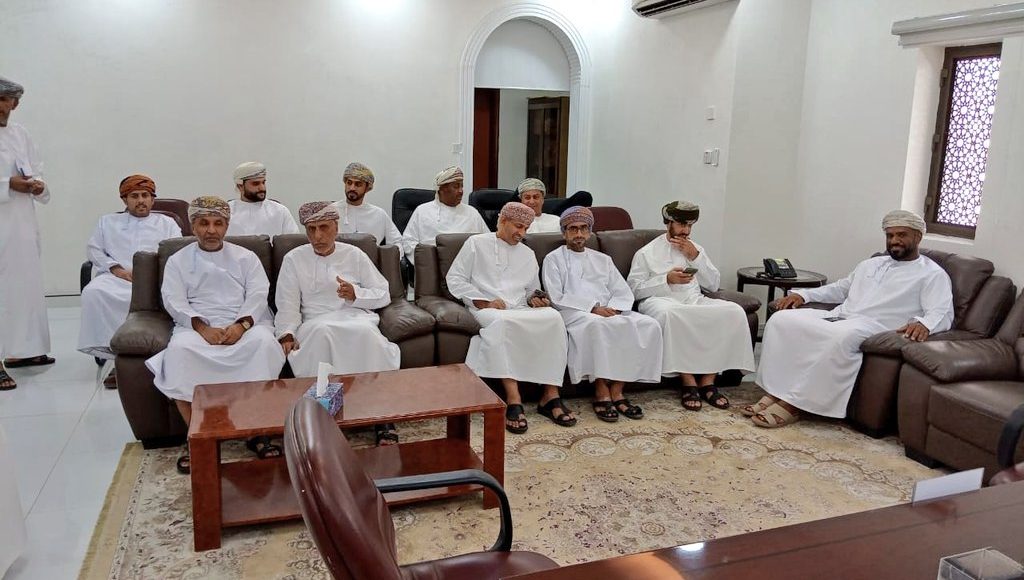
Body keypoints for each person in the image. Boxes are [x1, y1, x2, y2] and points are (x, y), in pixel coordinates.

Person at [748, 210, 954, 428]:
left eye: (901, 235)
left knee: (840, 336)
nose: (894, 240)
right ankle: (776, 391)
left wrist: (925, 324)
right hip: (840, 316)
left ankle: (795, 405)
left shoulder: (932, 274)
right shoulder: (871, 264)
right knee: (781, 321)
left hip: (877, 326)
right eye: (890, 235)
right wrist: (804, 295)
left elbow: (942, 312)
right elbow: (840, 289)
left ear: (918, 236)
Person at [145, 196, 286, 473]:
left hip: (244, 323)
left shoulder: (246, 257)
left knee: (264, 344)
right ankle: (196, 438)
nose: (211, 230)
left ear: (226, 226)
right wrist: (202, 328)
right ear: (193, 226)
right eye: (204, 223)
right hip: (196, 327)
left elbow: (258, 295)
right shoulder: (177, 260)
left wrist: (241, 326)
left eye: (218, 223)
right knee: (180, 351)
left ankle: (258, 433)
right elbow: (173, 300)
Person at [275, 201, 401, 444]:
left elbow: (383, 293)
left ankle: (381, 416)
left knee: (367, 334)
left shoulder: (354, 254)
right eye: (311, 229)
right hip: (315, 322)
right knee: (324, 333)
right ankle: (325, 418)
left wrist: (356, 294)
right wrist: (287, 333)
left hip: (354, 316)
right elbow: (287, 304)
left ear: (336, 227)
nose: (317, 236)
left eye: (324, 228)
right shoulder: (294, 259)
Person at [446, 202, 570, 434]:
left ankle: (550, 395)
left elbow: (531, 290)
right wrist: (484, 300)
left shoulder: (527, 253)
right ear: (502, 221)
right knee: (502, 322)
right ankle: (514, 398)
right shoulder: (476, 243)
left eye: (526, 228)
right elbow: (455, 279)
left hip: (520, 308)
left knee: (554, 318)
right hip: (486, 308)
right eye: (518, 226)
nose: (522, 233)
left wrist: (535, 299)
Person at [627, 201, 755, 411]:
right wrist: (666, 280)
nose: (686, 231)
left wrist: (695, 257)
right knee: (671, 315)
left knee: (733, 311)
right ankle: (688, 382)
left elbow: (712, 285)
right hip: (660, 301)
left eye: (690, 226)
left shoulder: (696, 249)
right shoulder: (646, 252)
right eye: (681, 224)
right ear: (668, 222)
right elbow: (633, 290)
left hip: (694, 300)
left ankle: (708, 381)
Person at [542, 206, 662, 422]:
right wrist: (593, 308)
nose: (579, 234)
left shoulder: (603, 259)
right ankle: (601, 391)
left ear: (590, 232)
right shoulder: (554, 259)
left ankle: (617, 390)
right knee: (598, 325)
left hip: (609, 310)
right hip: (574, 312)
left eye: (583, 228)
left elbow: (622, 290)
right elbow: (556, 296)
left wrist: (615, 308)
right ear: (564, 232)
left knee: (649, 325)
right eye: (573, 229)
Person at [77, 175, 181, 379]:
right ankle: (116, 358)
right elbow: (94, 250)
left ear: (152, 199)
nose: (141, 200)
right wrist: (117, 269)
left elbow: (175, 252)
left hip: (155, 279)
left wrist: (152, 274)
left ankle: (158, 356)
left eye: (145, 195)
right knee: (94, 292)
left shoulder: (167, 223)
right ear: (124, 199)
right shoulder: (107, 222)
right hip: (116, 277)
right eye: (134, 196)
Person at [0, 76, 53, 391]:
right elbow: (11, 180)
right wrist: (8, 184)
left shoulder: (21, 134)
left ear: (15, 103)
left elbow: (36, 168)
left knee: (25, 288)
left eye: (5, 100)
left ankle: (25, 350)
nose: (1, 105)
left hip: (22, 224)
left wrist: (38, 185)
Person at [401, 166, 488, 257]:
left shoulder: (472, 213)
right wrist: (427, 260)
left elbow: (487, 241)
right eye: (456, 186)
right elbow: (408, 242)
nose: (461, 191)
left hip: (467, 263)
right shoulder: (422, 211)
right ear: (441, 189)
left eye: (461, 186)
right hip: (432, 263)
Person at [332, 162, 405, 257]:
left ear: (367, 188)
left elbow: (397, 242)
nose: (352, 188)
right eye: (349, 183)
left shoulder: (379, 214)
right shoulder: (331, 211)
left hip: (370, 262)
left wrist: (386, 259)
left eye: (358, 184)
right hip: (337, 262)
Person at [225, 161, 300, 237]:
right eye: (255, 184)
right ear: (240, 186)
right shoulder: (226, 212)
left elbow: (292, 241)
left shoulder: (280, 211)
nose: (262, 188)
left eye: (263, 182)